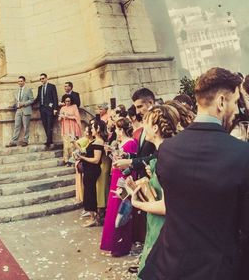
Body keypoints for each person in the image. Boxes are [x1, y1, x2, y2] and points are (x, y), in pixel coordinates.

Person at [140, 67, 249, 280]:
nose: (237, 111)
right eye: (235, 102)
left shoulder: (167, 150)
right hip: (219, 270)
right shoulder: (242, 155)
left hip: (169, 265)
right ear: (220, 102)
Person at [130, 105, 181, 275]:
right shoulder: (165, 154)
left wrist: (137, 202)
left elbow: (166, 206)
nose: (143, 127)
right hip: (156, 224)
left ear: (155, 128)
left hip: (164, 228)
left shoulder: (166, 157)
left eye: (146, 123)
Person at [100, 117, 138, 257]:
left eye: (117, 128)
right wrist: (112, 153)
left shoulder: (131, 143)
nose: (116, 131)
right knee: (114, 211)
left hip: (122, 179)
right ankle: (112, 244)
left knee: (121, 212)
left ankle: (120, 246)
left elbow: (131, 164)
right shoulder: (123, 143)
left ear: (121, 129)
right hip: (116, 176)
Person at [78, 119, 106, 227]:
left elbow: (96, 160)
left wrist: (82, 158)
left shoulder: (99, 142)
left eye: (93, 128)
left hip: (92, 170)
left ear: (98, 129)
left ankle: (93, 218)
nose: (91, 130)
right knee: (89, 192)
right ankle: (92, 216)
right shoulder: (95, 140)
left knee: (90, 193)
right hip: (89, 170)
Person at [7, 76, 35, 147]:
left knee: (26, 126)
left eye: (21, 81)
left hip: (26, 110)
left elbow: (32, 100)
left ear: (24, 81)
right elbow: (17, 101)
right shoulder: (16, 91)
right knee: (17, 126)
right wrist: (13, 106)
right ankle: (14, 141)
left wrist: (23, 103)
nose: (20, 82)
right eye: (18, 81)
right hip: (18, 111)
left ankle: (25, 141)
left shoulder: (28, 90)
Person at [36, 73, 58, 149]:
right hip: (42, 109)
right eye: (40, 79)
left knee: (49, 125)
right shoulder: (39, 88)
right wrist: (29, 103)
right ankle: (50, 140)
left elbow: (55, 98)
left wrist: (55, 108)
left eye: (43, 78)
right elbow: (38, 98)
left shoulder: (51, 86)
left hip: (50, 109)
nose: (42, 80)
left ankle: (48, 141)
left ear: (46, 78)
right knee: (45, 125)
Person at [58, 95, 82, 164]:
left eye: (68, 101)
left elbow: (77, 117)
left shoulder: (74, 107)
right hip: (65, 127)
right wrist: (61, 116)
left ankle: (73, 160)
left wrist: (68, 117)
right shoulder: (62, 108)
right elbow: (59, 119)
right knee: (66, 144)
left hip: (72, 127)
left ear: (71, 101)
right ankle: (66, 159)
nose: (67, 102)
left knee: (72, 144)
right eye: (66, 101)